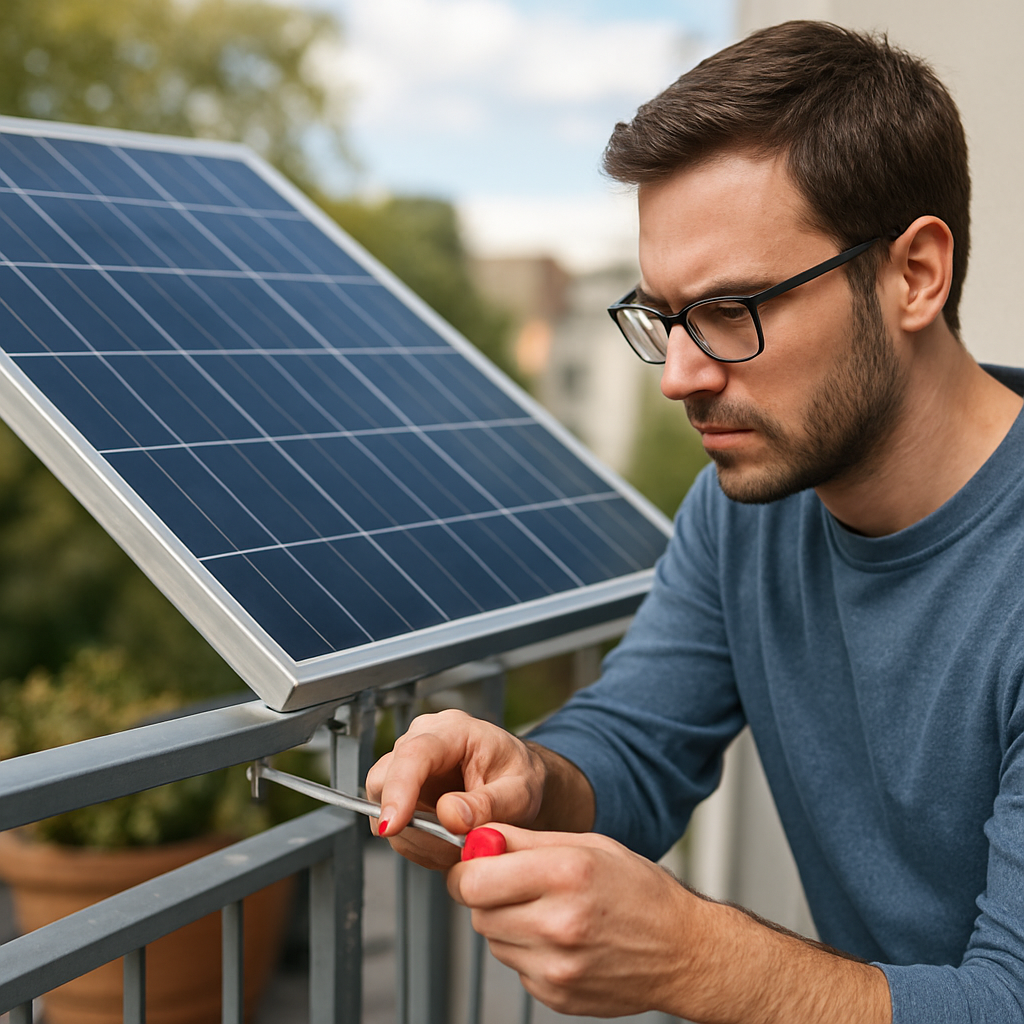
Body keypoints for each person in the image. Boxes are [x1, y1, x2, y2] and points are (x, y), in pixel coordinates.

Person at [366, 20, 1024, 1023]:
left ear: (914, 275)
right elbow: (635, 743)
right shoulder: (744, 508)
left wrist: (696, 958)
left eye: (730, 309)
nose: (679, 375)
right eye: (664, 318)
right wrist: (527, 777)